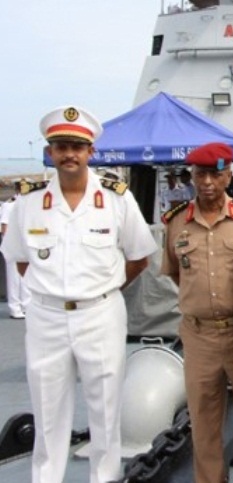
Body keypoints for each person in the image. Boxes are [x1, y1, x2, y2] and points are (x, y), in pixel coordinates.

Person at [0, 105, 158, 483]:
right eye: (61, 146)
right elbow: (21, 260)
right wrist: (55, 291)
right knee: (48, 408)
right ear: (50, 152)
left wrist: (99, 292)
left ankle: (103, 479)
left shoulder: (117, 199)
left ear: (91, 152)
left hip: (100, 313)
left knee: (105, 409)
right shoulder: (28, 202)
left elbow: (139, 257)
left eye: (77, 146)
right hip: (47, 316)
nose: (69, 153)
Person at [161, 142, 233, 483]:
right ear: (192, 176)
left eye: (215, 174)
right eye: (200, 174)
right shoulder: (176, 223)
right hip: (198, 337)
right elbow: (175, 272)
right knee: (204, 423)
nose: (207, 181)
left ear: (228, 176)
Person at [0, 180, 32, 319]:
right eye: (21, 187)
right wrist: (10, 245)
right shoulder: (9, 206)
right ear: (18, 189)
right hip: (13, 244)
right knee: (14, 278)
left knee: (26, 277)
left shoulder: (30, 206)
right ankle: (14, 307)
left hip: (28, 245)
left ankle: (26, 305)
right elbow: (4, 228)